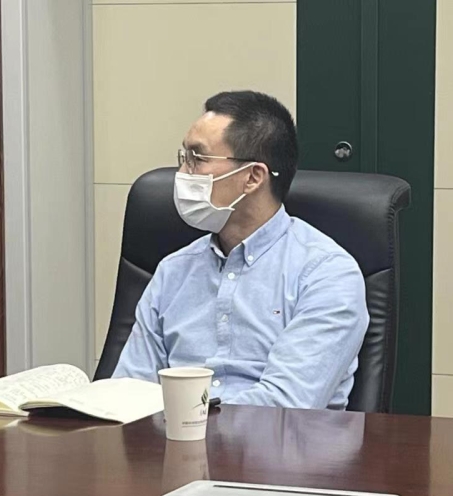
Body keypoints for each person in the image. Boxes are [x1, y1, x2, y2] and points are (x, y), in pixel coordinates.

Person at [113, 91, 368, 410]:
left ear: (253, 177)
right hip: (171, 436)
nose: (182, 173)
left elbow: (286, 405)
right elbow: (130, 391)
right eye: (184, 157)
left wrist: (187, 421)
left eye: (197, 158)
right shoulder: (172, 270)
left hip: (280, 440)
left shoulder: (326, 273)